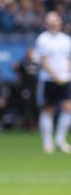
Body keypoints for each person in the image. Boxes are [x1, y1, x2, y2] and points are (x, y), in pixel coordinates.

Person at [33, 12, 71, 153]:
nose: (54, 23)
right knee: (48, 109)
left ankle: (60, 140)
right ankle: (47, 143)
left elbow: (69, 59)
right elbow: (43, 61)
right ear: (46, 23)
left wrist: (67, 73)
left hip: (65, 80)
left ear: (60, 22)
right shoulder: (43, 39)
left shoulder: (66, 40)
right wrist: (56, 76)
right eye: (50, 20)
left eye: (56, 20)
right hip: (49, 80)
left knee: (68, 108)